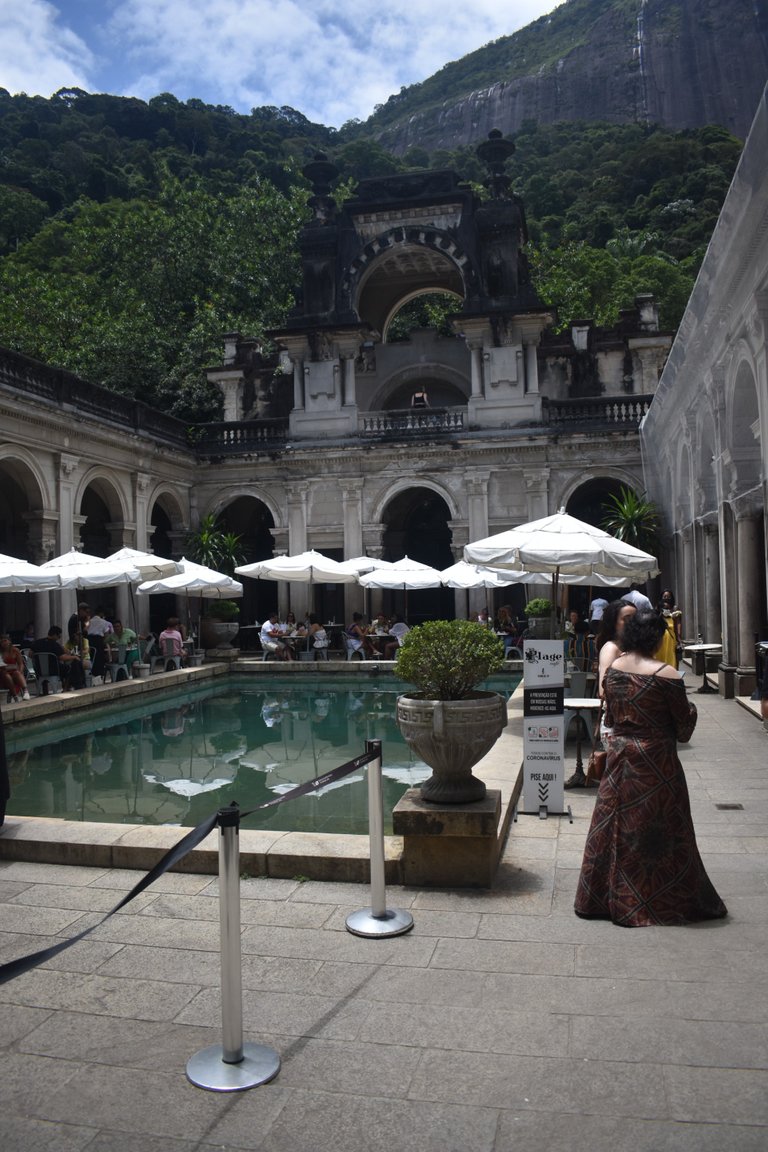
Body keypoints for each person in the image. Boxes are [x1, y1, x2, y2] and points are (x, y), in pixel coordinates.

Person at [574, 610, 727, 926]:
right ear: (656, 638)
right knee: (662, 833)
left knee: (613, 830)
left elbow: (613, 719)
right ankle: (657, 900)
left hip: (620, 761)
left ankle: (602, 898)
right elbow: (683, 730)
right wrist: (693, 710)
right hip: (658, 765)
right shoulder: (667, 674)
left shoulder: (614, 669)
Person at [566, 598, 637, 789]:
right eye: (627, 618)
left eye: (636, 618)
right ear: (614, 623)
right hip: (618, 725)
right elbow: (604, 689)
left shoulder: (635, 648)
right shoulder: (611, 648)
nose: (633, 622)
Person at [31, 625, 85, 690]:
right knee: (69, 668)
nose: (59, 638)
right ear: (54, 635)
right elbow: (62, 657)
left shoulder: (37, 642)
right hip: (53, 670)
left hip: (39, 670)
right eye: (59, 636)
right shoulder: (54, 645)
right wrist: (74, 657)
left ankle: (45, 690)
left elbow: (30, 654)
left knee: (62, 667)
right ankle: (66, 688)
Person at [655, 588, 683, 669]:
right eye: (664, 596)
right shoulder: (658, 607)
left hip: (671, 637)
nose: (666, 598)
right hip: (660, 637)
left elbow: (678, 624)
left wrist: (679, 638)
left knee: (671, 656)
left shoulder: (675, 609)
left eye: (668, 596)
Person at [0, 634, 29, 700]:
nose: (4, 643)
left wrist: (20, 671)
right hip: (3, 673)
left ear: (9, 641)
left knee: (17, 673)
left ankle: (26, 691)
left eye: (5, 641)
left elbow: (21, 664)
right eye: (1, 642)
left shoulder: (15, 650)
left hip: (13, 671)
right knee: (6, 675)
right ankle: (15, 696)